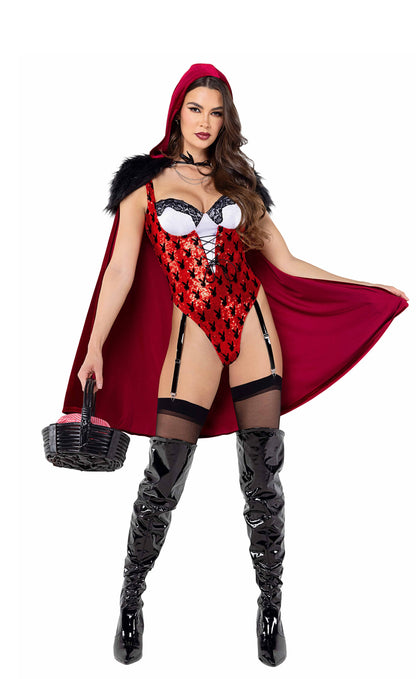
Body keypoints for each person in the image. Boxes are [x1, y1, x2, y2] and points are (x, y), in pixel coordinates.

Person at [62, 63, 408, 667]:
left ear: (227, 120)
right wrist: (94, 345)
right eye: (196, 109)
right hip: (191, 331)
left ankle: (270, 606)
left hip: (252, 323)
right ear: (177, 112)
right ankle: (131, 599)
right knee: (163, 477)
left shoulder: (239, 181)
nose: (205, 122)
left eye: (216, 112)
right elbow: (120, 270)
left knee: (263, 476)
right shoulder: (143, 184)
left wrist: (366, 288)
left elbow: (288, 262)